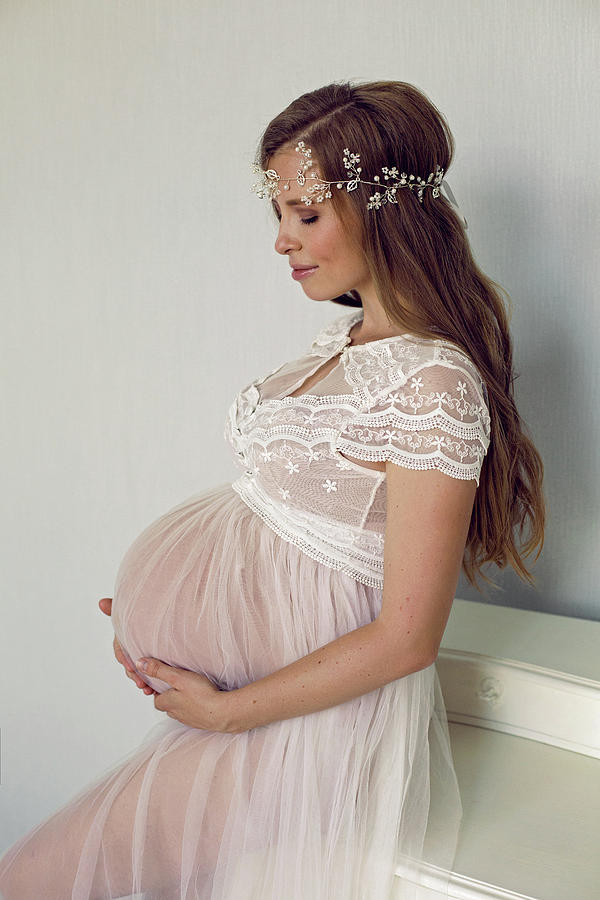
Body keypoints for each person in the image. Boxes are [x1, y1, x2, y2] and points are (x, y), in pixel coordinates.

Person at [0, 79, 545, 900]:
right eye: (279, 214)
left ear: (382, 209)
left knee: (33, 881)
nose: (283, 241)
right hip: (254, 715)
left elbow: (405, 636)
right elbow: (284, 545)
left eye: (307, 214)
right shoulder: (338, 344)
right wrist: (179, 623)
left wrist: (226, 706)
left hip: (303, 733)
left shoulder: (433, 381)